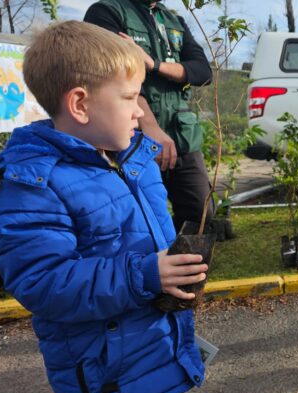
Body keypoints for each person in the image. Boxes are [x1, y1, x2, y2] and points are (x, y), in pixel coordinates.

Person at [0, 21, 207, 393]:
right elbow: (45, 283)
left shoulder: (135, 162)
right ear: (80, 104)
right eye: (130, 97)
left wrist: (174, 271)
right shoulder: (32, 186)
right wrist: (147, 273)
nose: (140, 111)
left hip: (158, 357)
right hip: (107, 384)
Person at [85, 0, 213, 232]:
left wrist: (153, 64)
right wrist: (150, 127)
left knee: (201, 214)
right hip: (133, 137)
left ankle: (187, 267)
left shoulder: (174, 21)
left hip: (182, 135)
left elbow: (202, 72)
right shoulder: (107, 12)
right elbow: (117, 77)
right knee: (144, 220)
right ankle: (153, 267)